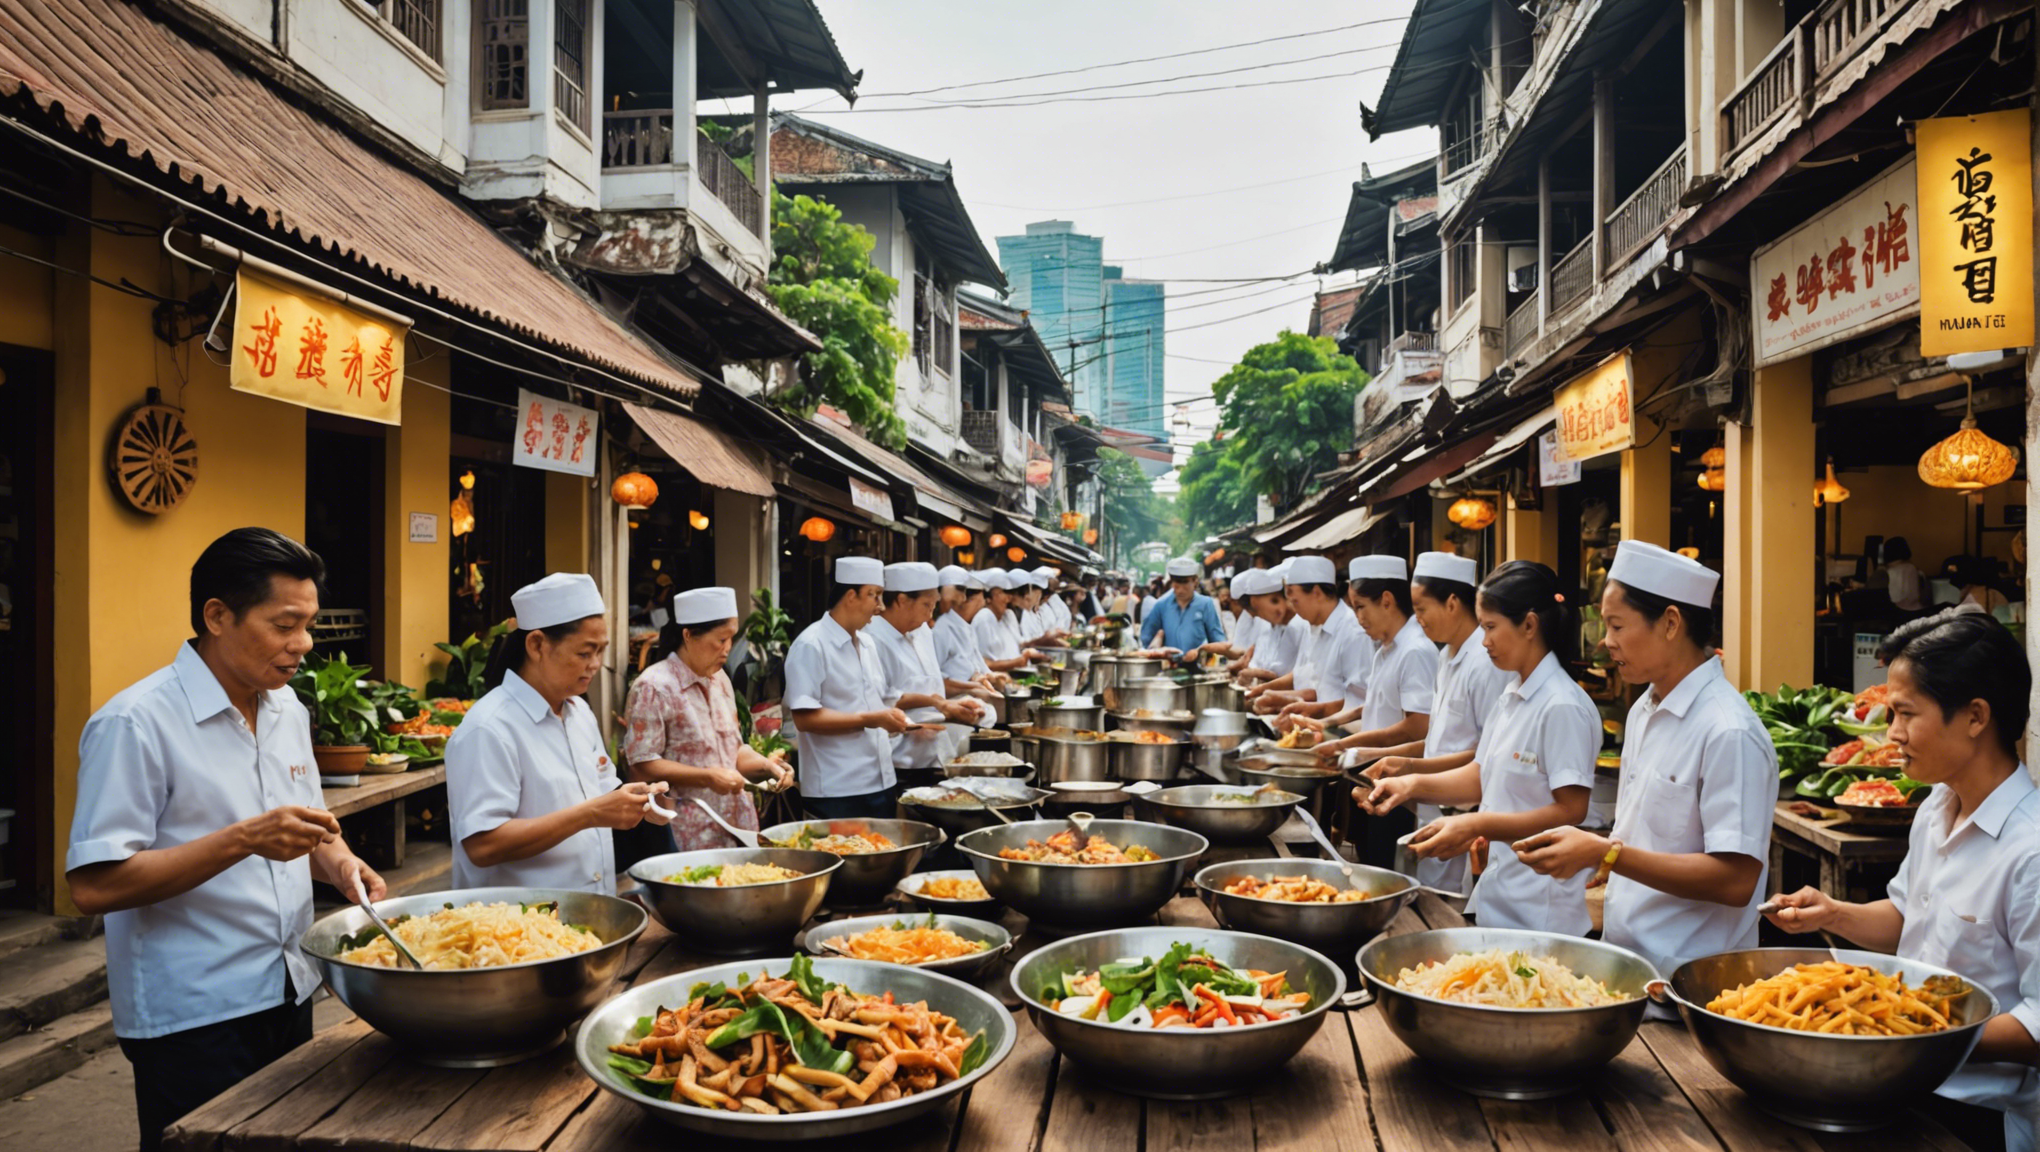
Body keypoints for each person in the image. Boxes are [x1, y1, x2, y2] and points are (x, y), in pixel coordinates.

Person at [68, 528, 386, 1152]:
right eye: (284, 625)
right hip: (193, 1013)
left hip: (289, 984)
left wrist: (342, 863)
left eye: (310, 624)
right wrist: (242, 839)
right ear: (217, 615)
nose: (304, 645)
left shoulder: (287, 708)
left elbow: (311, 828)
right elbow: (93, 885)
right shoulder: (134, 723)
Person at [1765, 612, 2038, 1152]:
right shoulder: (1937, 805)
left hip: (1976, 1117)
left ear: (1975, 717)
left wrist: (1911, 1028)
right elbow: (1909, 919)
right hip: (1899, 1086)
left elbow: (2038, 1026)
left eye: (1905, 714)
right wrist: (1832, 913)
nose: (1891, 735)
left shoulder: (2029, 850)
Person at [1516, 541, 1774, 989]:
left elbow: (1736, 880)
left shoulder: (1728, 730)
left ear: (1670, 623)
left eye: (1617, 625)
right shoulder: (1644, 709)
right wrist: (1596, 850)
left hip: (1695, 981)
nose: (1605, 641)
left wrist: (1605, 853)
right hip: (1629, 964)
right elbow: (1643, 840)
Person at [1361, 560, 1597, 931]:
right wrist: (1410, 784)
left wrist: (1476, 823)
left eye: (1490, 627)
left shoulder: (1562, 705)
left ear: (1530, 625)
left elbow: (1571, 810)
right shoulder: (1512, 693)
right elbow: (1480, 775)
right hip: (1500, 892)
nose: (1484, 640)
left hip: (1542, 908)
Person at [447, 573, 665, 891]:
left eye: (600, 651)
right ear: (537, 645)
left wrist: (642, 804)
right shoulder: (489, 728)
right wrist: (589, 814)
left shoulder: (579, 713)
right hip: (516, 926)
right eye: (584, 653)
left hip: (585, 913)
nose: (595, 664)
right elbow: (482, 846)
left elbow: (603, 794)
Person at [622, 586, 792, 852]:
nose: (727, 649)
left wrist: (768, 767)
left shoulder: (720, 680)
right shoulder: (654, 686)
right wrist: (707, 777)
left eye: (731, 639)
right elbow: (640, 765)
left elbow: (733, 751)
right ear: (688, 635)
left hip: (737, 827)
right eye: (720, 640)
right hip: (688, 833)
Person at [783, 557, 914, 819]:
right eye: (873, 595)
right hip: (836, 789)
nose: (879, 606)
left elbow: (879, 701)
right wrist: (871, 719)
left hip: (882, 780)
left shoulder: (867, 643)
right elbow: (805, 717)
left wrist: (896, 715)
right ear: (850, 596)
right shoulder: (812, 644)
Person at [867, 562, 987, 775]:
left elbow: (932, 681)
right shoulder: (871, 639)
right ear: (902, 600)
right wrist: (939, 704)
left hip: (936, 752)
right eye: (926, 605)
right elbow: (881, 698)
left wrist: (954, 706)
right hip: (896, 759)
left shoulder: (923, 630)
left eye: (934, 604)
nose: (931, 613)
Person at [1262, 556, 1369, 720]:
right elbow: (1311, 685)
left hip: (1342, 732)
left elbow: (1359, 703)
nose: (1293, 609)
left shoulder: (1353, 632)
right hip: (1313, 726)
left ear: (1317, 593)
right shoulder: (1310, 625)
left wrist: (1315, 714)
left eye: (1296, 602)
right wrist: (1277, 697)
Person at [1139, 557, 1229, 664]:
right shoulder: (1161, 605)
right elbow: (1146, 639)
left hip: (1198, 668)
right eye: (1177, 583)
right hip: (1169, 668)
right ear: (1171, 581)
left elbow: (1218, 640)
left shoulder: (1206, 604)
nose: (1181, 589)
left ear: (1195, 581)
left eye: (1185, 582)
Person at [932, 566, 1003, 691]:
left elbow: (976, 661)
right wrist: (973, 682)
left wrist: (989, 675)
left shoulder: (965, 627)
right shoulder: (940, 629)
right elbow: (936, 677)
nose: (963, 599)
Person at [973, 570, 1043, 672]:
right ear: (988, 598)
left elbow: (1020, 645)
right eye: (1003, 592)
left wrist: (1029, 652)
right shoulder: (984, 618)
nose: (1008, 598)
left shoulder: (1008, 615)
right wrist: (1016, 662)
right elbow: (983, 664)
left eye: (1010, 592)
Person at [1883, 537, 1924, 613]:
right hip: (1918, 610)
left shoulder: (1890, 572)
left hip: (1899, 614)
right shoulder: (1913, 568)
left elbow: (1895, 598)